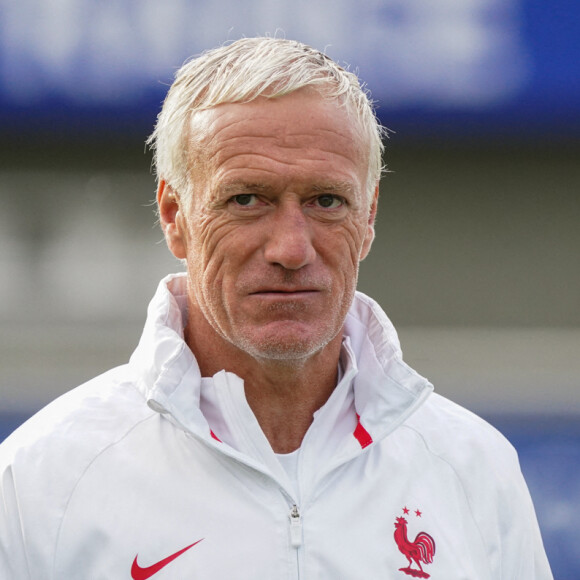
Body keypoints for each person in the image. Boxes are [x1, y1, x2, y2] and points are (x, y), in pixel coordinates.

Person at [0, 37, 552, 579]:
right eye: (246, 200)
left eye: (326, 201)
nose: (291, 248)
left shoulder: (476, 469)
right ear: (174, 215)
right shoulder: (39, 480)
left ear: (369, 217)